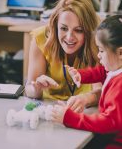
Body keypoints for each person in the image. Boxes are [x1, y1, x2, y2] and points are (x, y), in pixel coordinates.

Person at [52, 15, 122, 149]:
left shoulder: (120, 85)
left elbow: (108, 123)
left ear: (120, 53)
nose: (98, 55)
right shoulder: (116, 68)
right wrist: (81, 75)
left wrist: (69, 118)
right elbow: (102, 72)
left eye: (101, 50)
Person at [25, 0, 102, 112]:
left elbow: (101, 91)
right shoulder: (41, 38)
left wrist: (87, 99)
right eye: (64, 28)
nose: (69, 37)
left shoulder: (97, 42)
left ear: (88, 31)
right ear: (56, 26)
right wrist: (36, 89)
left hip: (84, 111)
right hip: (48, 110)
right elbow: (29, 88)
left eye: (79, 30)